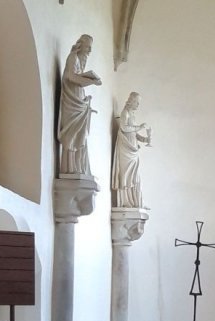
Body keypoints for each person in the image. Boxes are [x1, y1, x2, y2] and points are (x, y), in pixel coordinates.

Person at [57, 34, 101, 175]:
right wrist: (91, 81)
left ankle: (78, 167)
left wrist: (85, 99)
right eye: (88, 47)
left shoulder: (79, 61)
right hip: (71, 102)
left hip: (78, 99)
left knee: (81, 134)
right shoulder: (73, 58)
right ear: (81, 45)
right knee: (73, 133)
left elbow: (76, 78)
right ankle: (70, 168)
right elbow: (70, 76)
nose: (89, 51)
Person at [111, 91, 151, 208]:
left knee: (135, 176)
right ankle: (125, 201)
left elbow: (133, 133)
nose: (138, 105)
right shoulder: (125, 113)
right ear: (132, 101)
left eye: (139, 103)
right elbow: (124, 127)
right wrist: (139, 127)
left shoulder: (132, 115)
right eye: (137, 102)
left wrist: (145, 139)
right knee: (126, 175)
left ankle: (137, 202)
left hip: (133, 150)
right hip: (125, 150)